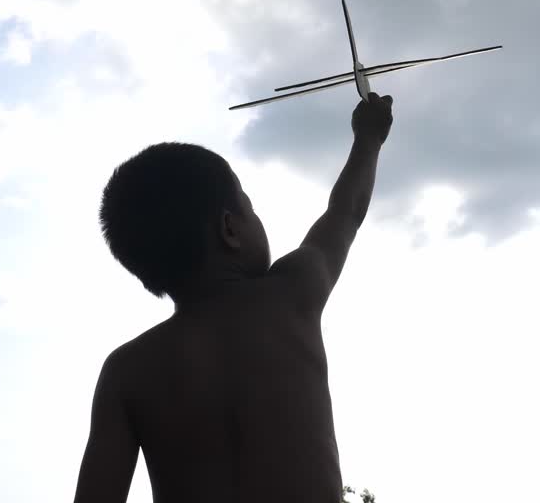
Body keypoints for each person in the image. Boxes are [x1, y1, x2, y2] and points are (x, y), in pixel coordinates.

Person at [73, 92, 395, 503]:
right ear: (230, 229)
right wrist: (368, 139)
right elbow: (346, 211)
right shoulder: (290, 292)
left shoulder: (126, 370)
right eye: (250, 208)